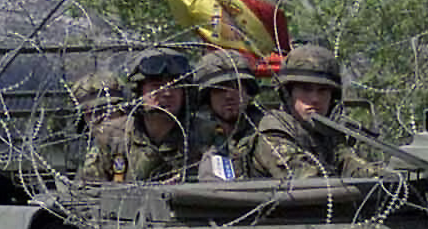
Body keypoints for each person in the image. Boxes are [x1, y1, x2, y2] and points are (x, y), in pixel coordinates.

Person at [240, 42, 382, 179]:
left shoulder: (325, 130)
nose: (315, 99)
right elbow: (305, 178)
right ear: (288, 94)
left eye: (323, 91)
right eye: (306, 89)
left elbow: (348, 163)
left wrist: (378, 175)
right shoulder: (273, 131)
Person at [79, 50, 193, 182]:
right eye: (156, 86)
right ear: (138, 91)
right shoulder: (112, 135)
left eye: (176, 85)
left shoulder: (202, 136)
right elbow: (88, 188)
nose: (167, 93)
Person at [189, 49, 264, 180]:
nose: (229, 95)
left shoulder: (265, 133)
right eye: (220, 89)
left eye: (236, 87)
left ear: (247, 91)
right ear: (207, 96)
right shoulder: (192, 137)